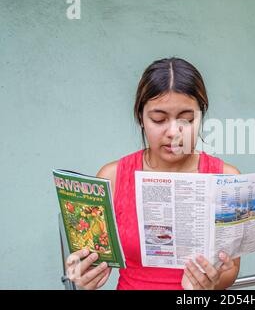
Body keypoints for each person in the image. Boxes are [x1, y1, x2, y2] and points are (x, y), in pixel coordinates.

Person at [65, 57, 241, 290]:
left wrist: (214, 281)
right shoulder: (113, 177)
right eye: (158, 119)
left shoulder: (226, 179)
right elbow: (88, 259)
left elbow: (231, 269)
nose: (173, 132)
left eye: (186, 120)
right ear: (140, 117)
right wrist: (82, 272)